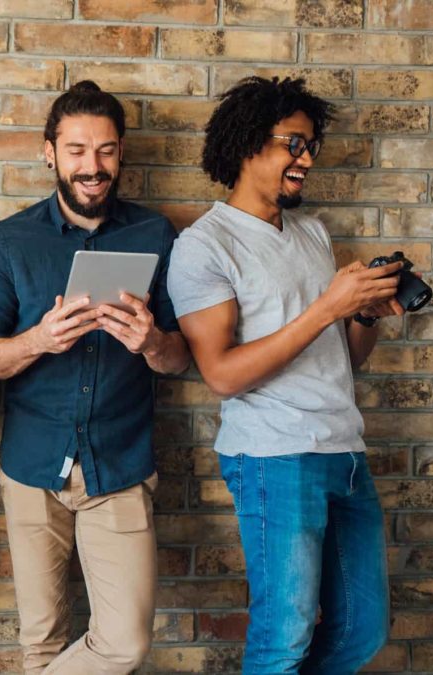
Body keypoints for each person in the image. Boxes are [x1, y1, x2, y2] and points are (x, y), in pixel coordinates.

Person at [167, 76, 398, 673]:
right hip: (273, 458)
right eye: (294, 144)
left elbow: (340, 360)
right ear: (249, 144)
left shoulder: (312, 232)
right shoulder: (205, 246)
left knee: (362, 631)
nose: (307, 158)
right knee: (283, 638)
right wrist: (327, 307)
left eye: (310, 144)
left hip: (344, 451)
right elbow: (219, 373)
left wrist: (363, 314)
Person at [0, 81, 190, 674]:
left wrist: (151, 343)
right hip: (33, 466)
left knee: (123, 644)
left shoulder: (155, 234)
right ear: (50, 153)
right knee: (41, 644)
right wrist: (40, 339)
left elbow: (180, 359)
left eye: (106, 150)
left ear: (121, 154)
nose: (92, 167)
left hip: (119, 462)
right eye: (76, 150)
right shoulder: (10, 242)